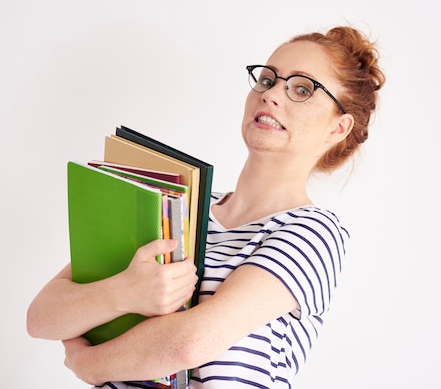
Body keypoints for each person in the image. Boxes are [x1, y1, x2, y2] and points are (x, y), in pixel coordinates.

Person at [27, 25, 385, 388]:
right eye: (267, 79)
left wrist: (91, 363)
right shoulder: (173, 202)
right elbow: (41, 317)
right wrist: (122, 292)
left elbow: (193, 342)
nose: (272, 94)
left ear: (339, 128)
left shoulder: (313, 233)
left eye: (302, 89)